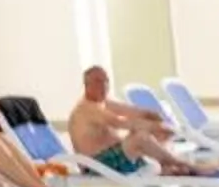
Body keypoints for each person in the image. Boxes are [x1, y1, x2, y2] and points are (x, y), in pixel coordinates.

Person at [66, 65, 201, 175]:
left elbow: (133, 112)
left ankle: (167, 167)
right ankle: (180, 164)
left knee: (147, 134)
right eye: (98, 82)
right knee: (139, 138)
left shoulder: (103, 102)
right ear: (86, 85)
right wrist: (155, 127)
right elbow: (121, 123)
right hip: (96, 167)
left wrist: (154, 118)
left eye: (106, 81)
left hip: (113, 160)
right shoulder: (86, 109)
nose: (104, 86)